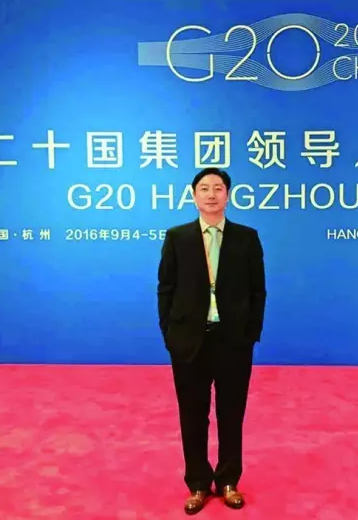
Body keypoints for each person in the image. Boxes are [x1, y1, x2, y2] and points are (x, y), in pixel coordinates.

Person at [157, 167, 266, 514]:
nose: (211, 194)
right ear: (193, 196)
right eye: (204, 188)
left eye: (218, 188)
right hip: (189, 341)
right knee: (192, 415)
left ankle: (229, 480)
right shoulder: (178, 237)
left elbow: (257, 290)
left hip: (233, 341)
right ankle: (198, 484)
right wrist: (170, 334)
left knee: (231, 414)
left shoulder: (246, 237)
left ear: (228, 195)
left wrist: (250, 334)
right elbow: (166, 288)